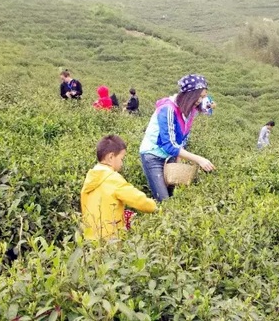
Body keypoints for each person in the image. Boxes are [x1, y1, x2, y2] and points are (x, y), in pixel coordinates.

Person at [139, 74, 216, 202]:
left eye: (203, 97)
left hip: (170, 155)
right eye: (200, 96)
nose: (201, 100)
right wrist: (199, 159)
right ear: (190, 94)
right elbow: (169, 145)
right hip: (152, 155)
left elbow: (181, 139)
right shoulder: (168, 109)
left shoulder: (190, 109)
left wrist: (178, 160)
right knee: (164, 200)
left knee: (171, 192)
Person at [80, 135, 157, 241]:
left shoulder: (90, 179)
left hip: (90, 240)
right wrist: (154, 206)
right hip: (110, 240)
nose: (122, 163)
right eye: (121, 158)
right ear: (111, 157)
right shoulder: (113, 179)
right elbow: (139, 200)